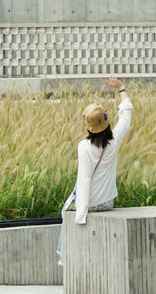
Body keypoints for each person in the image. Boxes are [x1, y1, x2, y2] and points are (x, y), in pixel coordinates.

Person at [57, 75, 133, 265]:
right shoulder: (114, 139)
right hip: (107, 202)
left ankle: (65, 256)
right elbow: (126, 115)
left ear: (89, 127)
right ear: (106, 123)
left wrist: (81, 215)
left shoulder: (84, 147)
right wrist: (121, 88)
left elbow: (84, 181)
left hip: (90, 204)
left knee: (65, 208)